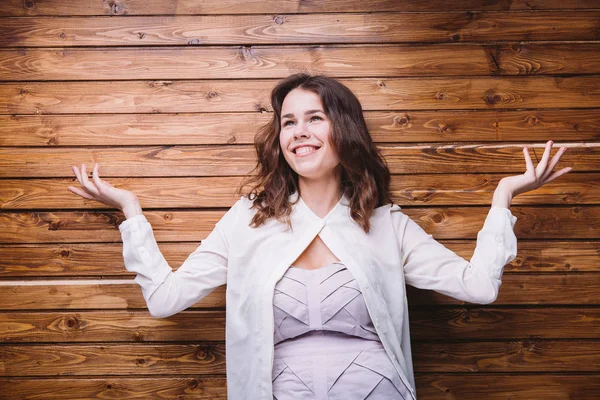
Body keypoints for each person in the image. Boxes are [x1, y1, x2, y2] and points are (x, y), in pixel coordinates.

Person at [68, 73, 572, 399]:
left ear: (343, 130)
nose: (298, 131)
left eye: (315, 118)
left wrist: (504, 196)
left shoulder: (385, 223)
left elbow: (478, 287)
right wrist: (130, 212)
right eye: (288, 122)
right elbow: (165, 299)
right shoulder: (248, 221)